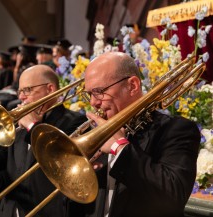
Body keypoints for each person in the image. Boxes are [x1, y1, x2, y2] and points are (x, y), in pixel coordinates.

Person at [0, 65, 88, 217]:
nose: (21, 97)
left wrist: (33, 126)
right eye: (20, 91)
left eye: (27, 90)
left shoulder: (75, 121)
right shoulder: (19, 123)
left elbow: (60, 160)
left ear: (50, 89)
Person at [67, 52, 200, 217]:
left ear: (132, 86)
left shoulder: (176, 130)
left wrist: (120, 148)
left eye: (99, 91)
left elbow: (173, 197)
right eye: (89, 94)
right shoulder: (92, 133)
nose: (93, 102)